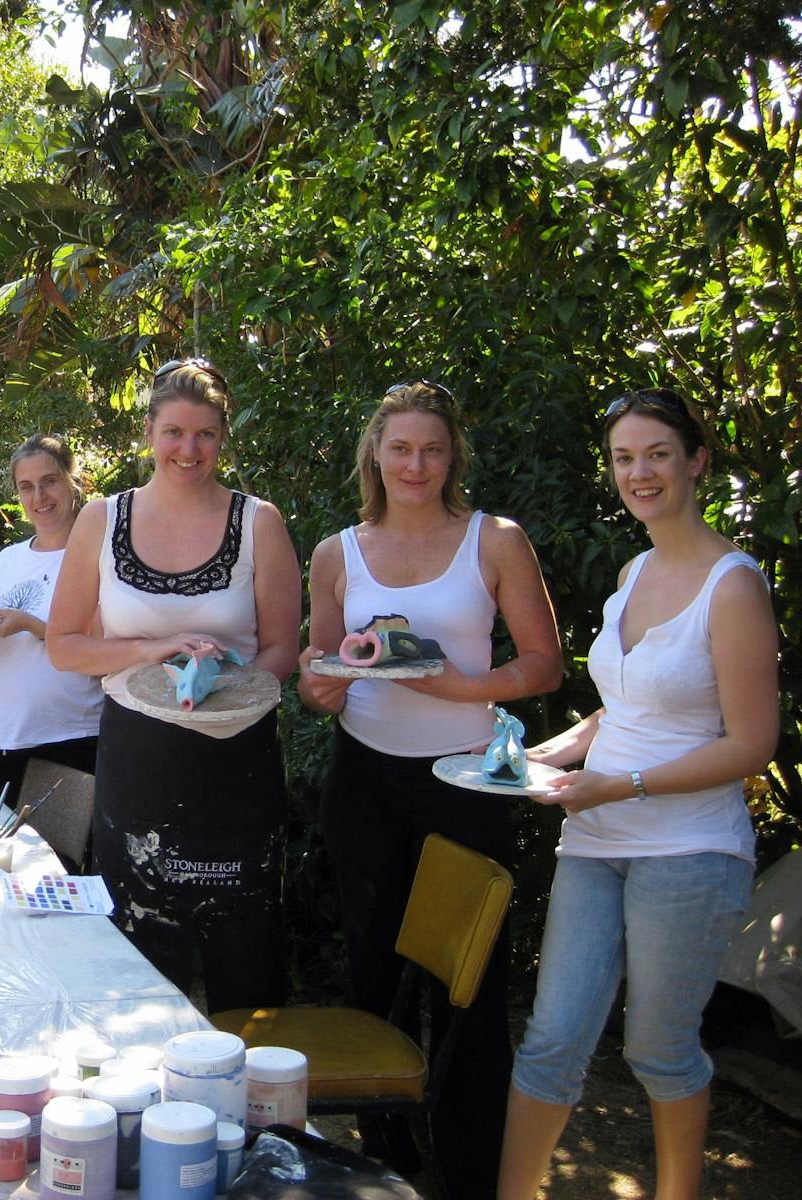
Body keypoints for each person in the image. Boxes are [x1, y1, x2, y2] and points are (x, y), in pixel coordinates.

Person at [498, 388, 777, 1200]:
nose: (639, 472)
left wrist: (623, 784)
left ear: (696, 460)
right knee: (550, 1043)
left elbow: (750, 744)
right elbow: (627, 704)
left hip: (689, 853)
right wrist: (541, 754)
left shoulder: (732, 586)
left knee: (658, 1050)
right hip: (595, 842)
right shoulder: (635, 569)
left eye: (657, 453)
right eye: (624, 458)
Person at [296, 379, 562, 1199]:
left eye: (433, 449)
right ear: (376, 453)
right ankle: (388, 1156)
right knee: (374, 964)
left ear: (453, 457)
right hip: (364, 778)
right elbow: (315, 667)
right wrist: (323, 688)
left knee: (466, 981)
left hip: (466, 779)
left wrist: (455, 688)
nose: (417, 464)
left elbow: (545, 664)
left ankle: (472, 1164)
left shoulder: (495, 540)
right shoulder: (337, 551)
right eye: (401, 448)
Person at [46, 359, 301, 1011]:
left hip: (237, 766)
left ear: (223, 437)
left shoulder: (259, 523)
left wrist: (225, 693)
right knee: (135, 972)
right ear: (149, 433)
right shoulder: (101, 521)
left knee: (247, 973)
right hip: (139, 766)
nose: (189, 450)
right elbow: (64, 645)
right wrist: (154, 648)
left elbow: (282, 649)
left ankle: (251, 1112)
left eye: (206, 434)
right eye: (174, 432)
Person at [0, 434, 103, 804]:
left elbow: (100, 650)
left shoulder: (97, 555)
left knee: (58, 860)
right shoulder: (9, 559)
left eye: (49, 482)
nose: (39, 497)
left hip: (70, 737)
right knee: (9, 856)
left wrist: (29, 624)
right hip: (5, 735)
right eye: (26, 487)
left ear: (72, 481)